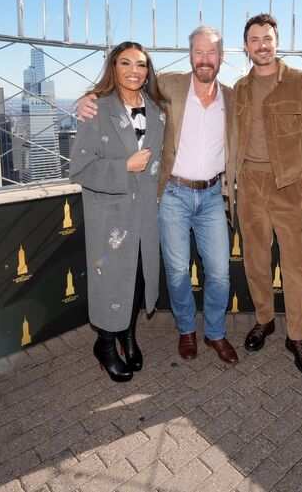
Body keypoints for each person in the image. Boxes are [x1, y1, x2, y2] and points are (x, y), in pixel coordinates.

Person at [77, 26, 239, 365]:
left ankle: (215, 333)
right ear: (190, 55)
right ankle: (185, 331)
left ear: (221, 58)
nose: (204, 59)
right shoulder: (170, 86)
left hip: (211, 196)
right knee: (177, 272)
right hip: (174, 194)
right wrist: (87, 98)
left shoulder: (233, 97)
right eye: (198, 52)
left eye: (211, 53)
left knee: (220, 272)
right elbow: (117, 94)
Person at [235, 13, 302, 375]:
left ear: (277, 41)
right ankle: (265, 319)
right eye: (254, 39)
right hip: (249, 185)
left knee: (297, 268)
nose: (262, 44)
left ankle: (298, 336)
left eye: (267, 38)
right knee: (256, 261)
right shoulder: (240, 88)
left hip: (289, 186)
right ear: (246, 47)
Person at [70, 42, 165, 382]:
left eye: (141, 64)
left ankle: (128, 334)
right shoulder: (98, 109)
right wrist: (125, 165)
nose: (134, 70)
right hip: (109, 215)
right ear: (113, 67)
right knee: (110, 279)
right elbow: (79, 168)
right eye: (125, 63)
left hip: (145, 214)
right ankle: (106, 344)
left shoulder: (156, 110)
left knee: (137, 274)